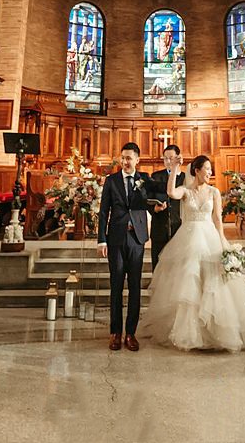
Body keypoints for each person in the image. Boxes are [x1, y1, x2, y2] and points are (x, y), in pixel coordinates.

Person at [137, 155, 245, 351]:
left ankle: (216, 330)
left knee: (214, 283)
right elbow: (171, 192)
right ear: (196, 171)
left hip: (209, 238)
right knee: (190, 281)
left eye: (210, 169)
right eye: (206, 169)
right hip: (188, 239)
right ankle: (191, 332)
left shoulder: (214, 192)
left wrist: (224, 243)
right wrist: (173, 168)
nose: (209, 173)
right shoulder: (187, 192)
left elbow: (217, 220)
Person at [97, 141, 153, 351]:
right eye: (123, 158)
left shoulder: (144, 179)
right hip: (116, 239)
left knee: (135, 287)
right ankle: (115, 333)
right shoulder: (111, 181)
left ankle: (131, 333)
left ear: (137, 160)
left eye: (129, 158)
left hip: (136, 238)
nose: (125, 162)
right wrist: (101, 239)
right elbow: (103, 212)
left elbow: (154, 200)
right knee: (116, 286)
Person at [149, 144, 185, 270]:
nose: (168, 161)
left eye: (171, 158)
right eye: (165, 158)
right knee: (158, 265)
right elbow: (147, 198)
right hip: (159, 227)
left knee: (178, 267)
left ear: (179, 158)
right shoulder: (156, 176)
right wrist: (154, 209)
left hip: (179, 227)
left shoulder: (186, 178)